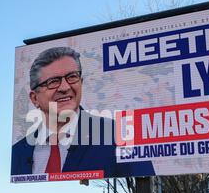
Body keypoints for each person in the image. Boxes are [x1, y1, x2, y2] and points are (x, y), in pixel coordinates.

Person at [11, 46, 155, 178]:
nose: (65, 87)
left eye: (72, 77)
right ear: (34, 98)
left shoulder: (120, 135)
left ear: (81, 82)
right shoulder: (17, 153)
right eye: (53, 81)